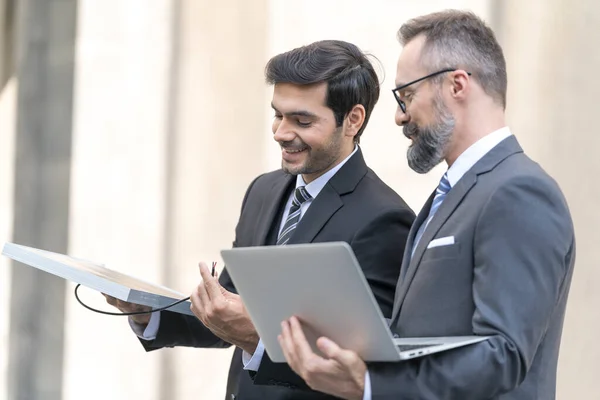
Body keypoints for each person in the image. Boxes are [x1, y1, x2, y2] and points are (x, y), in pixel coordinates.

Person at [261, 10, 576, 400]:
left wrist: (371, 385)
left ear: (457, 85)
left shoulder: (520, 191)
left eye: (407, 95)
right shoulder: (453, 192)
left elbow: (503, 354)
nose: (398, 116)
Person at [104, 39, 415, 400]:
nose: (281, 132)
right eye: (277, 114)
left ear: (353, 120)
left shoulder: (385, 220)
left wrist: (255, 336)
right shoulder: (263, 191)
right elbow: (232, 311)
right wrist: (149, 313)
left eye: (301, 120)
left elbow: (364, 371)